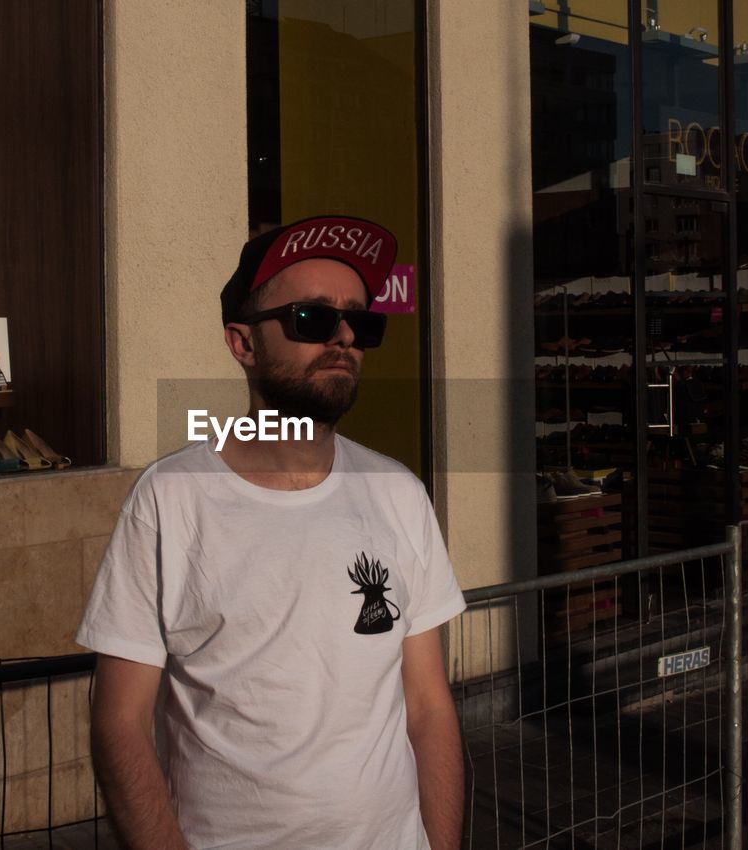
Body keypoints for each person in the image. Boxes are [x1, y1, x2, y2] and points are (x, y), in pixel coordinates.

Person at [76, 215, 468, 849]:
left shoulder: (398, 492)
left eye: (360, 322)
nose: (343, 336)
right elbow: (119, 723)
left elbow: (427, 706)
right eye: (312, 319)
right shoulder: (171, 498)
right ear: (243, 343)